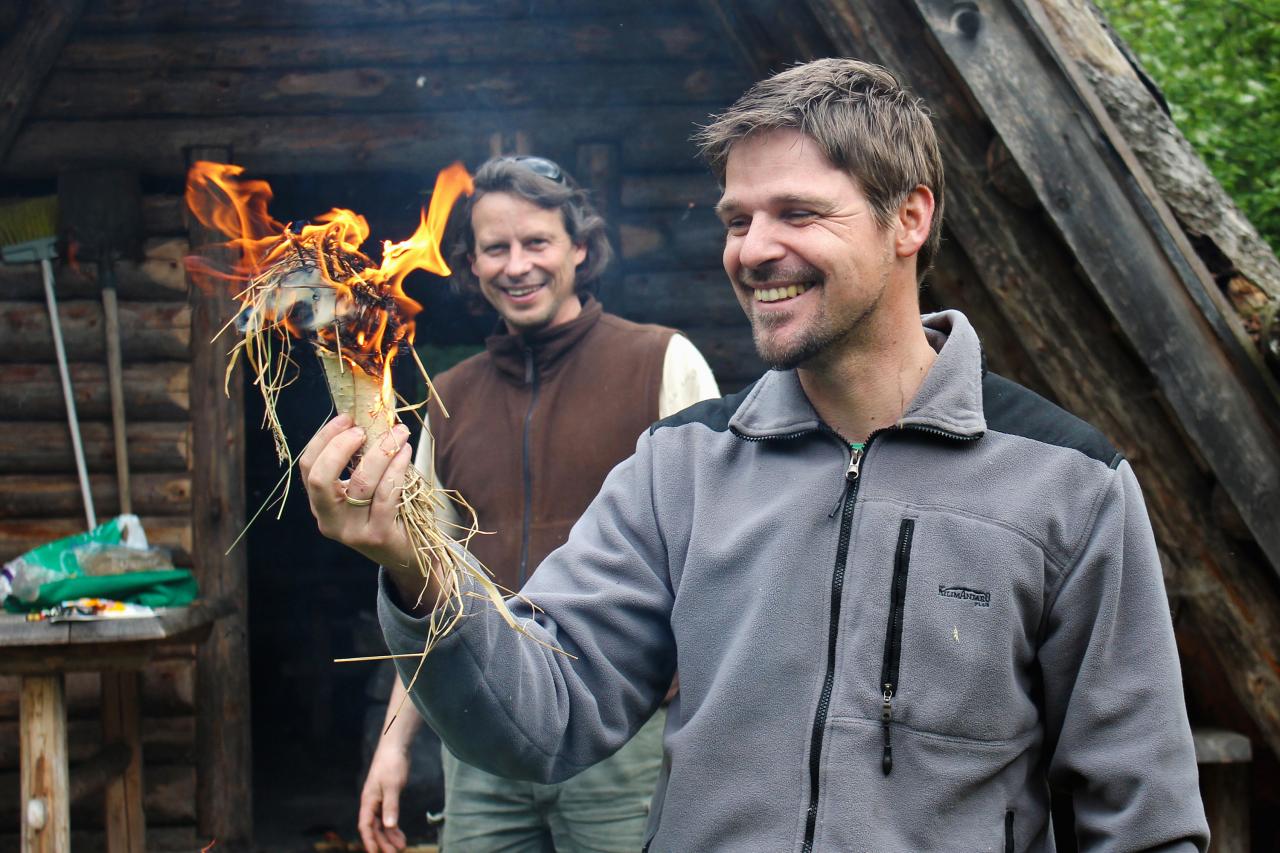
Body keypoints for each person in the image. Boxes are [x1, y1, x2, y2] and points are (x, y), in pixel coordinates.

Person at [304, 60, 1209, 850]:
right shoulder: (681, 468)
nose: (753, 250)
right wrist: (417, 570)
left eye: (797, 213)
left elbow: (1140, 812)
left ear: (909, 219)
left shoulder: (1069, 484)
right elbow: (542, 714)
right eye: (737, 219)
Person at [306, 155, 718, 853]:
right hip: (483, 735)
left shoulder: (663, 361)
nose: (516, 264)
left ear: (579, 248)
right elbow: (427, 583)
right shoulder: (450, 398)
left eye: (537, 242)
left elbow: (721, 542)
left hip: (619, 733)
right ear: (470, 263)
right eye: (495, 248)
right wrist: (394, 743)